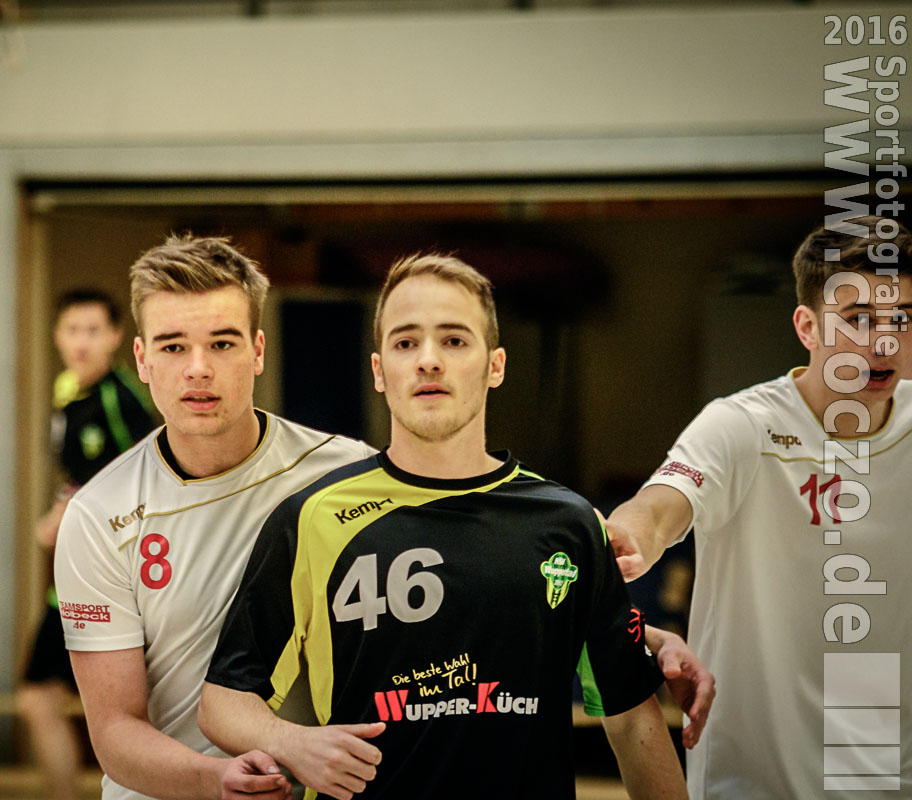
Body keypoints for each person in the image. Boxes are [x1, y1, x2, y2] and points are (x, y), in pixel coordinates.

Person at [200, 254, 693, 800]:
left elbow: (632, 717)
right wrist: (292, 742)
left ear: (495, 366)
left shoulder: (569, 524)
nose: (429, 361)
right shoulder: (310, 518)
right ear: (378, 370)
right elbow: (223, 702)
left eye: (454, 340)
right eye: (406, 342)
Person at [52, 235, 376, 800]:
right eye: (173, 347)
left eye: (222, 344)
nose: (198, 369)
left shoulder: (350, 475)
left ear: (257, 350)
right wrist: (216, 780)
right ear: (142, 360)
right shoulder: (98, 515)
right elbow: (114, 730)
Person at [605, 216, 912, 798]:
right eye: (858, 319)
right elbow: (660, 505)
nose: (883, 343)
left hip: (883, 770)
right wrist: (630, 537)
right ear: (807, 327)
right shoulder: (741, 424)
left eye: (902, 319)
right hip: (752, 778)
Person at [18, 288, 158, 800]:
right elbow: (77, 476)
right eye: (72, 330)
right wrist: (61, 509)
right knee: (37, 700)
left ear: (117, 337)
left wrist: (70, 514)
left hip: (115, 580)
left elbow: (148, 478)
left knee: (121, 710)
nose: (82, 342)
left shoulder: (121, 401)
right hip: (74, 574)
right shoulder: (66, 391)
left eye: (94, 331)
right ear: (57, 336)